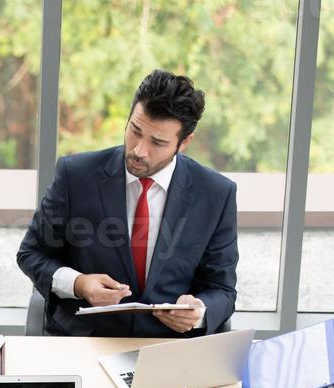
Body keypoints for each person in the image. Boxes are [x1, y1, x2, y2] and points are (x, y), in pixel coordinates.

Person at [17, 69, 238, 340]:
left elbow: (222, 290)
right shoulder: (75, 175)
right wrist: (79, 283)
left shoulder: (216, 193)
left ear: (184, 143)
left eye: (158, 142)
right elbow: (31, 254)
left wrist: (199, 312)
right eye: (135, 131)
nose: (139, 150)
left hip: (167, 348)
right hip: (85, 342)